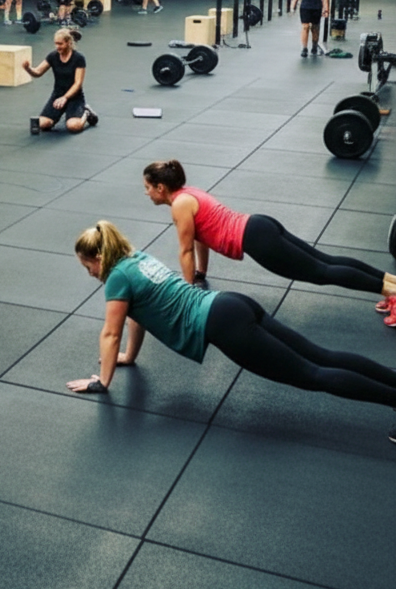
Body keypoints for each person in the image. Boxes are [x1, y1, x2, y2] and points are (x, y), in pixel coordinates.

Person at [68, 221, 396, 445]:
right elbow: (134, 319)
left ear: (99, 257)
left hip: (224, 325)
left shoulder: (116, 278)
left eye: (88, 267)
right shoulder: (135, 258)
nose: (90, 273)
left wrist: (102, 381)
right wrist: (129, 356)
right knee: (321, 357)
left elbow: (110, 333)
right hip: (230, 304)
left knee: (313, 374)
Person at [142, 159, 396, 310]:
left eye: (148, 188)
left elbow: (185, 250)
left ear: (160, 188)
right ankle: (391, 282)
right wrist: (201, 274)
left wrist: (187, 294)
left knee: (321, 273)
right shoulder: (189, 193)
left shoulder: (179, 205)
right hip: (259, 225)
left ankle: (391, 293)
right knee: (326, 261)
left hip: (256, 239)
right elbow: (199, 240)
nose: (147, 194)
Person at [22, 26, 98, 133]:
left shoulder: (78, 58)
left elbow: (78, 83)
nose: (57, 47)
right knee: (42, 124)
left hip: (74, 97)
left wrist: (65, 98)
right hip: (57, 96)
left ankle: (86, 113)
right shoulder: (53, 56)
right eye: (56, 43)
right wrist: (28, 68)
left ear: (68, 43)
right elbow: (38, 72)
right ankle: (55, 118)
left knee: (73, 126)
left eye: (60, 44)